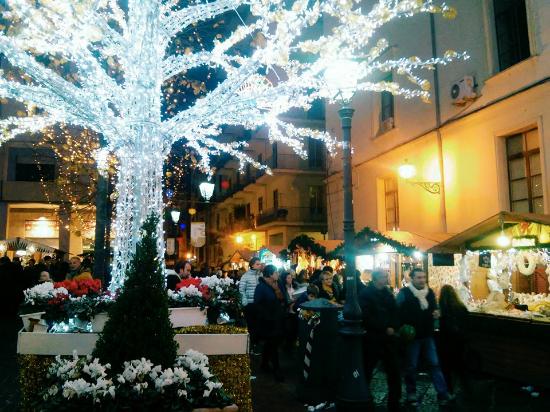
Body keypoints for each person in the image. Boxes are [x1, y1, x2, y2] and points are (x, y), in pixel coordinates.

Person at [397, 268, 451, 406]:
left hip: (427, 335)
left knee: (434, 364)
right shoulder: (404, 293)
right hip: (412, 337)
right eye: (419, 277)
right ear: (412, 279)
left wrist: (437, 313)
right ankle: (411, 394)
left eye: (423, 277)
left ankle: (443, 393)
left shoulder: (430, 292)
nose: (422, 280)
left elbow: (434, 308)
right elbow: (396, 312)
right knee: (411, 366)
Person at [359, 269, 401, 412]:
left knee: (394, 371)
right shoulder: (366, 294)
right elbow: (366, 316)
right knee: (368, 369)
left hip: (388, 339)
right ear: (377, 279)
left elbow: (395, 311)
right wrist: (384, 327)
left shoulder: (387, 293)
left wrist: (393, 326)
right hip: (373, 339)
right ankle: (363, 398)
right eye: (384, 277)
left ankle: (394, 402)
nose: (387, 279)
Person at [254, 264, 286, 381]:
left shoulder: (278, 284)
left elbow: (283, 299)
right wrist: (267, 316)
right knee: (273, 344)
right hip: (268, 322)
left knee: (271, 343)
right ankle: (276, 369)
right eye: (276, 272)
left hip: (278, 319)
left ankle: (264, 364)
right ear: (270, 274)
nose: (278, 274)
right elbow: (257, 304)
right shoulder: (261, 287)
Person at [438, 284, 469, 395]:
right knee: (460, 366)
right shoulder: (461, 307)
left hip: (446, 342)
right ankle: (466, 389)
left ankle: (449, 390)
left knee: (446, 368)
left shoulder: (442, 310)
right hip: (460, 341)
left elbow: (440, 327)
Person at [239, 257, 263, 352]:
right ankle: (251, 346)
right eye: (257, 264)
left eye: (260, 264)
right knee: (251, 326)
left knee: (258, 325)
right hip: (250, 305)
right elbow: (241, 290)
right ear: (252, 265)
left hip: (259, 304)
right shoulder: (245, 276)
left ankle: (256, 344)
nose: (259, 265)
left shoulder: (260, 275)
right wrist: (245, 302)